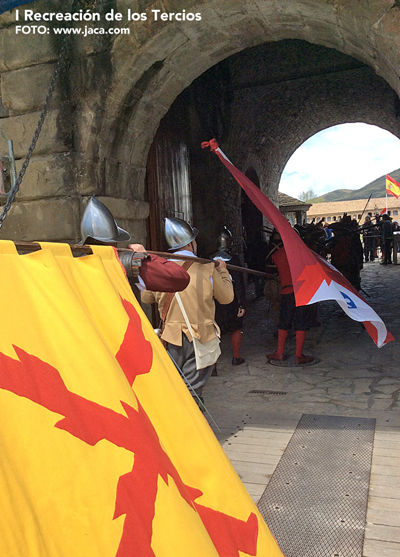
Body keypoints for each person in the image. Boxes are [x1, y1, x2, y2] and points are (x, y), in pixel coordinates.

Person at [141, 217, 234, 404]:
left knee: (176, 389)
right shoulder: (207, 268)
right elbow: (227, 297)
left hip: (170, 338)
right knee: (190, 393)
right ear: (191, 243)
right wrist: (222, 270)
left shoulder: (160, 270)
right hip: (200, 336)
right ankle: (190, 430)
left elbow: (146, 297)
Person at [80, 197, 190, 293]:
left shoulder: (72, 265)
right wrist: (145, 257)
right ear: (114, 240)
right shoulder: (126, 263)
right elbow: (180, 277)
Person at [266, 229, 314, 365]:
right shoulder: (305, 253)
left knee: (284, 321)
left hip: (287, 292)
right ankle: (298, 355)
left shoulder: (277, 255)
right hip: (303, 292)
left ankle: (280, 352)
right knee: (301, 323)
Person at [212, 227, 246, 366]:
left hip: (213, 299)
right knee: (236, 328)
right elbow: (238, 283)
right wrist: (241, 304)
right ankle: (236, 357)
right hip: (230, 298)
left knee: (213, 330)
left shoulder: (209, 258)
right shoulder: (233, 259)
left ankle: (213, 364)